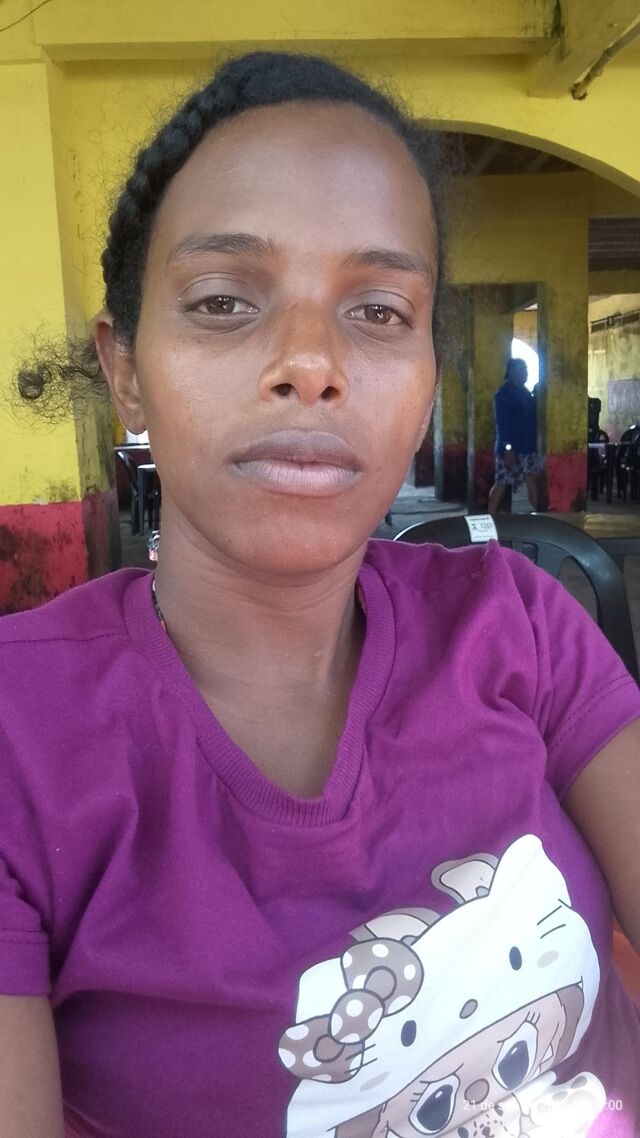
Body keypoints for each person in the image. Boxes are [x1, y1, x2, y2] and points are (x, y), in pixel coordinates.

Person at [0, 51, 639, 1138]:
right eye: (222, 301)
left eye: (379, 311)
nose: (309, 362)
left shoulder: (519, 625)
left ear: (427, 376)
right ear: (126, 371)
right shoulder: (23, 735)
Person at [488, 357, 541, 515]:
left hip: (527, 447)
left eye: (526, 369)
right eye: (522, 369)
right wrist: (508, 448)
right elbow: (502, 423)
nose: (525, 373)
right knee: (502, 482)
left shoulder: (525, 392)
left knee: (532, 479)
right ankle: (490, 517)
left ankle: (539, 515)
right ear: (511, 372)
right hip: (511, 449)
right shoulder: (504, 394)